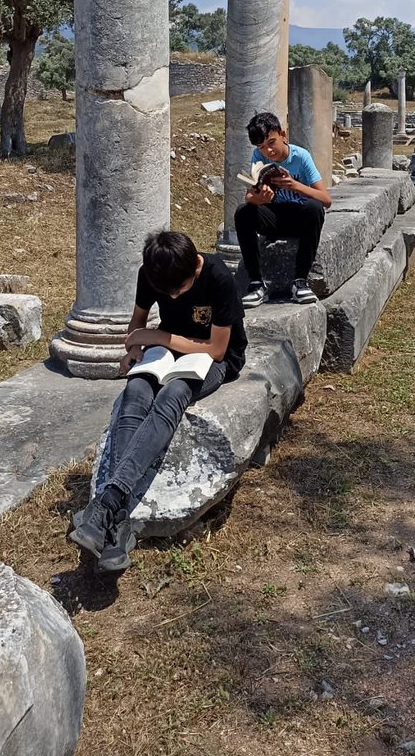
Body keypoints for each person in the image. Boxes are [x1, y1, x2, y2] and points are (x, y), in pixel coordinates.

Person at [68, 230, 246, 572]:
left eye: (178, 290)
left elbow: (218, 348)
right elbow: (137, 325)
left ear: (195, 265)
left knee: (173, 393)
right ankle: (116, 518)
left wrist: (155, 336)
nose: (172, 296)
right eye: (166, 292)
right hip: (166, 352)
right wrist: (134, 349)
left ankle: (107, 501)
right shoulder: (154, 272)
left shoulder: (218, 277)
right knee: (135, 391)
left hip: (213, 359)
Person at [234, 110, 332, 308]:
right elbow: (250, 195)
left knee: (314, 208)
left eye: (271, 143)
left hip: (300, 218)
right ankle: (256, 284)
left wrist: (293, 185)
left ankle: (300, 282)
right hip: (273, 217)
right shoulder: (257, 156)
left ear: (282, 135)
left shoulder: (300, 156)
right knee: (243, 212)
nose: (268, 152)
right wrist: (259, 198)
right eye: (261, 147)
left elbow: (326, 199)